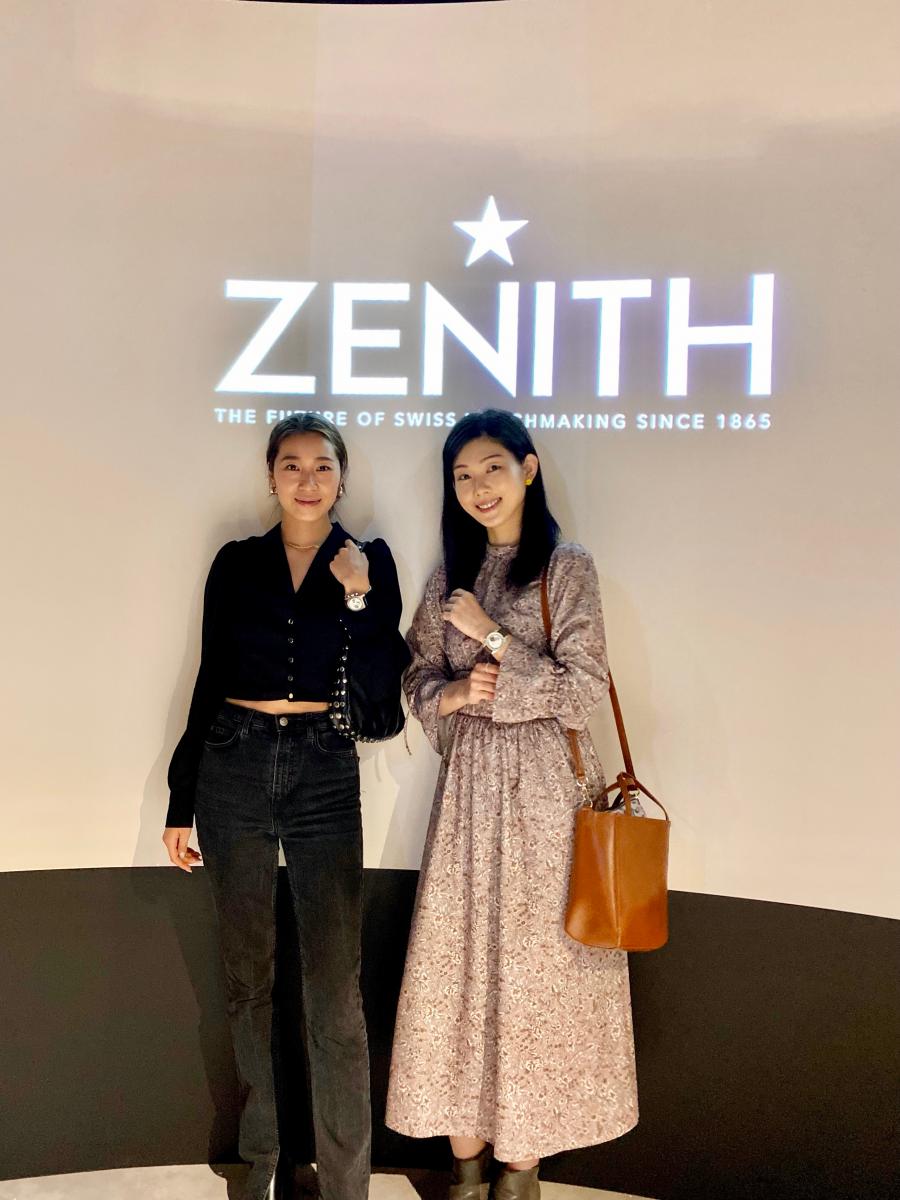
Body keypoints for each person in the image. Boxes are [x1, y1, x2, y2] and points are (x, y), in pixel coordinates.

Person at [385, 410, 639, 1200]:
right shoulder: (449, 576)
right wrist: (456, 692)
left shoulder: (566, 567)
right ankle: (465, 1168)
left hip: (549, 801)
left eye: (492, 467)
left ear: (528, 469)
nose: (478, 487)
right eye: (462, 475)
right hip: (469, 796)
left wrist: (492, 636)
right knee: (459, 968)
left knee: (538, 977)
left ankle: (520, 1169)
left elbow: (584, 690)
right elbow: (417, 676)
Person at [163, 414, 408, 1200]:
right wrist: (180, 798)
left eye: (322, 466)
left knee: (335, 990)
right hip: (232, 763)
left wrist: (360, 595)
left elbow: (383, 684)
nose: (307, 480)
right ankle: (261, 1163)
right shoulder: (237, 562)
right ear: (271, 475)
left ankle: (345, 1186)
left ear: (342, 478)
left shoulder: (369, 561)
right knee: (249, 980)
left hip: (324, 768)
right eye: (292, 465)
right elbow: (209, 678)